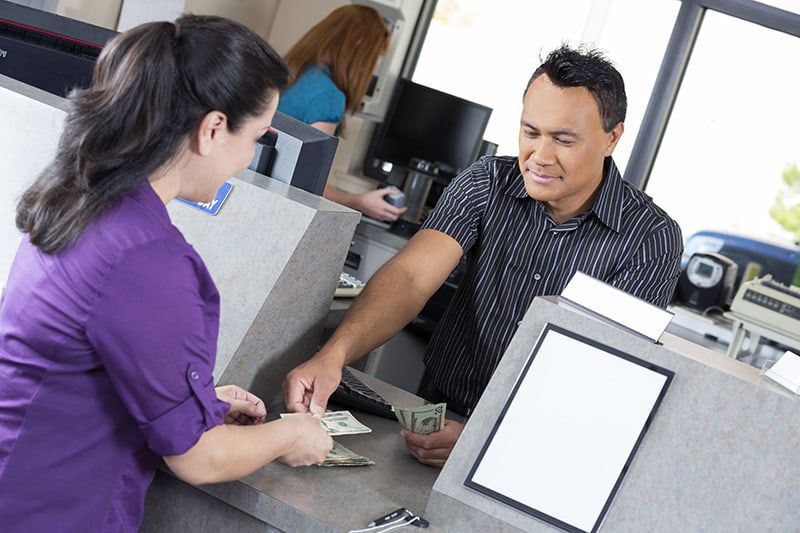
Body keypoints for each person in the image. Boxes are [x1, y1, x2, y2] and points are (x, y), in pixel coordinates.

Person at [0, 15, 332, 531]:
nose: (248, 159)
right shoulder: (147, 259)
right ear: (213, 129)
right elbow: (201, 459)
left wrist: (191, 404)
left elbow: (82, 364)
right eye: (255, 138)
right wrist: (292, 434)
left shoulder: (83, 195)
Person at [283, 46, 683, 467]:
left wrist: (491, 436)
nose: (540, 156)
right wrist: (334, 355)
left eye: (564, 140)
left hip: (535, 448)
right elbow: (411, 277)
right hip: (440, 414)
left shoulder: (651, 238)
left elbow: (603, 380)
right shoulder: (486, 182)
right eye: (531, 132)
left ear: (612, 138)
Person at [278, 5, 406, 222]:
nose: (372, 66)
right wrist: (359, 201)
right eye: (374, 56)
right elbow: (307, 184)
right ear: (358, 45)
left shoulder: (286, 72)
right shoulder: (329, 96)